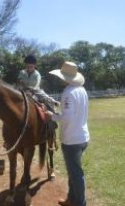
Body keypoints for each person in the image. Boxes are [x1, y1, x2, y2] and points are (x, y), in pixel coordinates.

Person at [45, 61, 90, 206]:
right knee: (73, 172)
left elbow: (67, 117)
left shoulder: (67, 92)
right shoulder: (81, 90)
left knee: (76, 174)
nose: (60, 79)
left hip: (72, 140)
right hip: (82, 137)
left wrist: (51, 115)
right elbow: (72, 113)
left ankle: (80, 203)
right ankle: (72, 199)